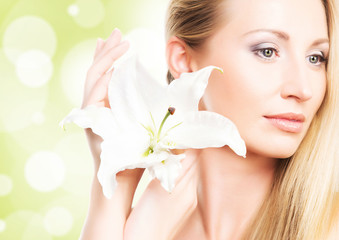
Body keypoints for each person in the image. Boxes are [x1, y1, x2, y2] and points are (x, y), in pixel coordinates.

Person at [78, 0, 339, 239]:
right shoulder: (144, 223)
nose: (304, 89)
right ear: (184, 60)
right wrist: (112, 187)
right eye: (268, 51)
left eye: (315, 58)